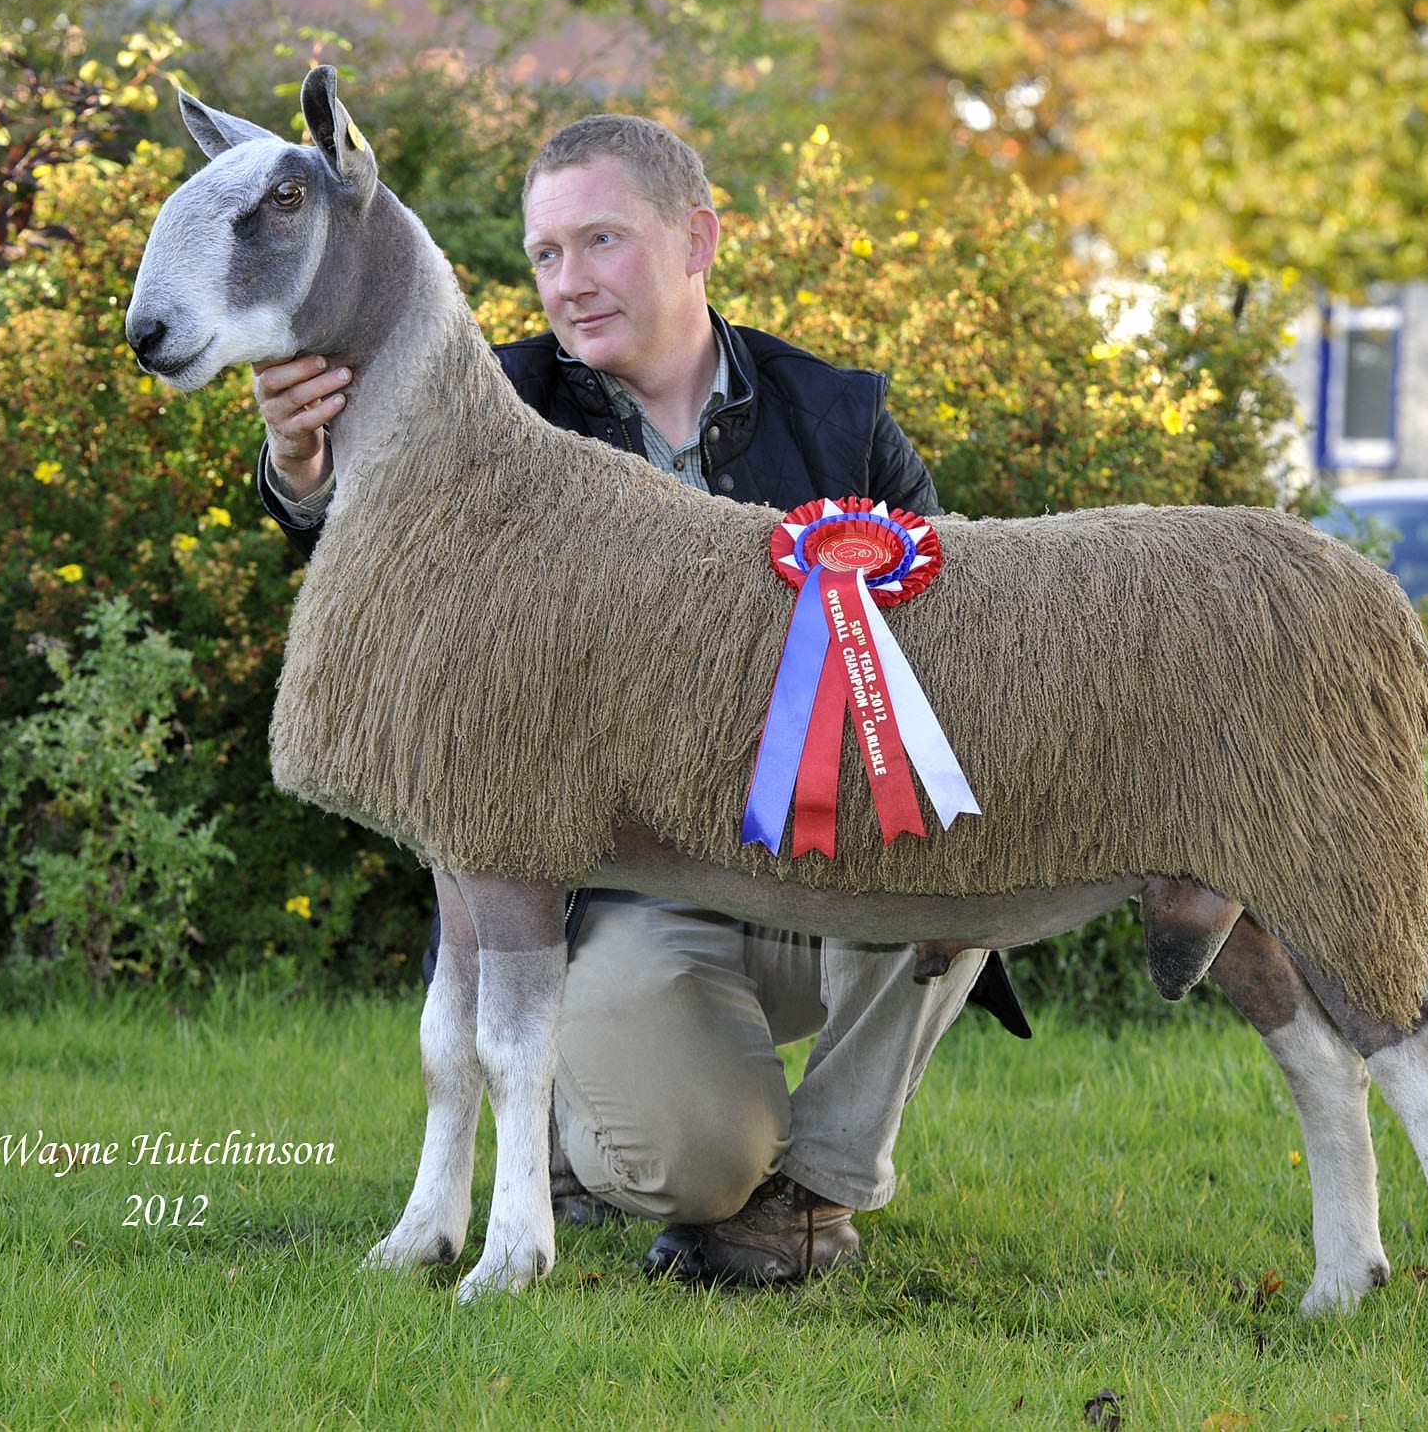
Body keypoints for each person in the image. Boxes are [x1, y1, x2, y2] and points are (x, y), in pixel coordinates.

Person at [254, 113, 1026, 1285]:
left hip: (805, 857)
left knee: (969, 855)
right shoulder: (489, 400)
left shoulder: (834, 414)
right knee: (688, 1162)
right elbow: (372, 565)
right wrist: (301, 469)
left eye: (600, 240)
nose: (567, 283)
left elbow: (948, 634)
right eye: (545, 253)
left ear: (696, 238)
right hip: (614, 894)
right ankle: (584, 1133)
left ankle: (814, 1186)